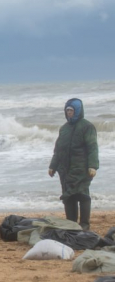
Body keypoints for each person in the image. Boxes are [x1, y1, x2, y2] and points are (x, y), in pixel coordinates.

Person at [48, 98, 99, 230]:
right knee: (68, 197)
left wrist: (92, 166)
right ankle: (71, 225)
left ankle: (84, 226)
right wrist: (53, 166)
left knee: (82, 195)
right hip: (65, 170)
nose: (69, 113)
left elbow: (92, 147)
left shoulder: (87, 126)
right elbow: (58, 149)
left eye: (71, 110)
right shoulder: (64, 129)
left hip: (81, 168)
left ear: (78, 111)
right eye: (67, 111)